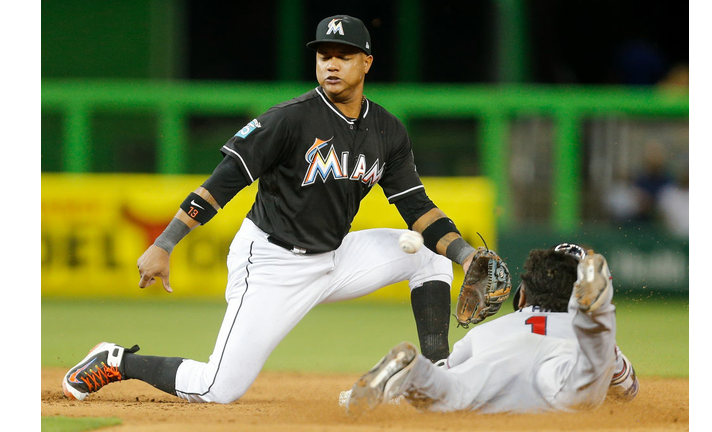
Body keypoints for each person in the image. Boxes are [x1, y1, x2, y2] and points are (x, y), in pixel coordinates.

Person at [62, 15, 489, 404]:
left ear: (367, 64)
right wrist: (165, 243)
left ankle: (437, 374)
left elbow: (417, 207)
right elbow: (221, 184)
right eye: (324, 55)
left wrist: (466, 255)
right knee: (217, 389)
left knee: (431, 255)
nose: (331, 64)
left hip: (336, 257)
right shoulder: (289, 119)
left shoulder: (387, 130)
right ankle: (115, 360)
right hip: (272, 262)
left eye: (344, 56)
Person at [345, 244, 640, 415]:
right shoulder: (587, 342)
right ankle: (595, 315)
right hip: (563, 362)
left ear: (522, 295)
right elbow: (626, 391)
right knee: (586, 382)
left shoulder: (486, 332)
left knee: (448, 392)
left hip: (495, 358)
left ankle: (413, 370)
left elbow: (447, 371)